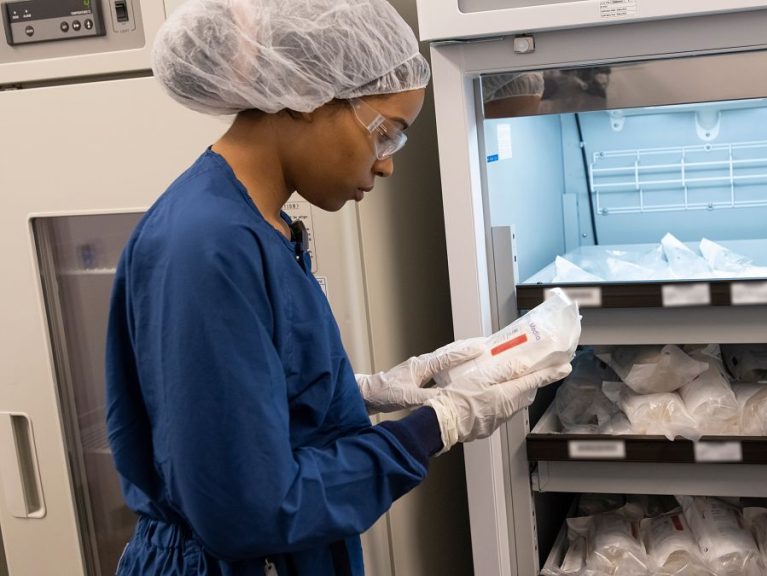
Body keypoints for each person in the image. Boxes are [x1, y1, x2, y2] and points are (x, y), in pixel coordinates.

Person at [104, 1, 571, 574]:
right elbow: (251, 508)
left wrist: (366, 392)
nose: (387, 165)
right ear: (306, 95)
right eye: (386, 134)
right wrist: (438, 423)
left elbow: (239, 398)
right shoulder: (207, 245)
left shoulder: (261, 226)